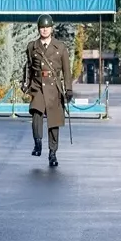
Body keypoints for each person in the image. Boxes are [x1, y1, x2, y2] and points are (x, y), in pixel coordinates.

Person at [22, 14, 72, 167]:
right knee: (36, 111)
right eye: (42, 28)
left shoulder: (60, 47)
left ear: (52, 28)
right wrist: (26, 83)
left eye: (47, 27)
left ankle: (53, 153)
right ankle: (37, 142)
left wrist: (68, 89)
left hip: (54, 86)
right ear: (39, 29)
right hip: (37, 86)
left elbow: (66, 70)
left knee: (53, 121)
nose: (44, 30)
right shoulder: (32, 46)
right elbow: (28, 67)